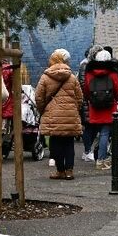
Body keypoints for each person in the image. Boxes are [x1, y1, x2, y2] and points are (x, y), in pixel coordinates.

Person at [35, 48, 84, 180]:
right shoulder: (72, 77)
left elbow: (39, 97)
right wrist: (74, 109)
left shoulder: (45, 77)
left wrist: (43, 110)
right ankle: (69, 171)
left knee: (55, 144)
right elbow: (80, 98)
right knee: (69, 144)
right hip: (70, 115)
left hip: (52, 115)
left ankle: (60, 170)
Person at [83, 48, 118, 170]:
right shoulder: (113, 74)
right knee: (105, 133)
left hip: (95, 108)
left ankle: (96, 153)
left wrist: (92, 100)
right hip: (109, 107)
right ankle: (101, 159)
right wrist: (115, 99)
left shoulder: (89, 74)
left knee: (98, 133)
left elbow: (86, 90)